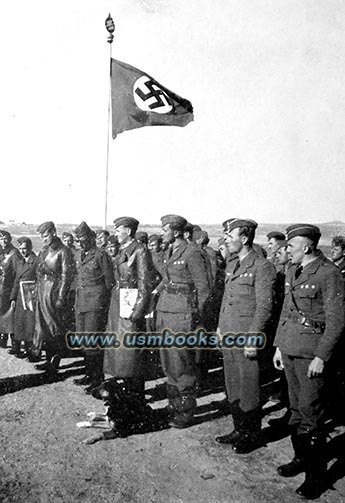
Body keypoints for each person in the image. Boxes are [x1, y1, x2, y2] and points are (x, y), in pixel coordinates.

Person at [273, 224, 345, 499]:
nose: (285, 250)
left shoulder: (329, 274)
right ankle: (300, 459)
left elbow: (337, 321)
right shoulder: (293, 270)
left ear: (306, 247)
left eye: (289, 246)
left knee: (311, 413)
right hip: (291, 349)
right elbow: (286, 312)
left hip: (311, 355)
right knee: (295, 410)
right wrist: (279, 346)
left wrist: (321, 356)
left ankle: (316, 477)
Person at [216, 218, 276, 453]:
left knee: (249, 386)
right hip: (229, 333)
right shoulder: (233, 264)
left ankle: (252, 434)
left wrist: (253, 338)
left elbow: (264, 307)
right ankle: (239, 429)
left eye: (231, 236)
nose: (227, 240)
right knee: (233, 384)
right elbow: (225, 300)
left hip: (246, 336)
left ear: (244, 238)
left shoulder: (262, 266)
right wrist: (220, 327)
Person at [155, 214, 210, 428]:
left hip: (182, 315)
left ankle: (186, 411)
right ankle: (173, 405)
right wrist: (153, 295)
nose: (162, 233)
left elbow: (204, 288)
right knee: (168, 362)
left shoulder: (193, 252)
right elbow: (167, 280)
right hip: (166, 310)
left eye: (164, 229)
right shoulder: (171, 251)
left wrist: (195, 315)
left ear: (176, 232)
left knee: (182, 364)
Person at [102, 217, 152, 436]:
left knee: (129, 362)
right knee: (117, 360)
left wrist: (136, 314)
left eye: (118, 229)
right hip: (118, 307)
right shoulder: (122, 250)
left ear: (129, 230)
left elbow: (145, 285)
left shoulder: (139, 251)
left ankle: (132, 416)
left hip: (129, 312)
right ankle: (121, 412)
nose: (116, 232)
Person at [73, 222, 114, 393]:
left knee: (93, 342)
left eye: (83, 239)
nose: (80, 243)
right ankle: (89, 374)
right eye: (78, 240)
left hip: (96, 304)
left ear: (91, 238)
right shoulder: (80, 254)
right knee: (84, 340)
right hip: (81, 303)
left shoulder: (100, 255)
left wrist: (104, 304)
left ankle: (98, 380)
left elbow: (109, 281)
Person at [32, 221, 75, 373]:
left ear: (53, 233)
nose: (43, 239)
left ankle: (55, 359)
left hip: (54, 292)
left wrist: (61, 297)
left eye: (45, 236)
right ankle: (48, 358)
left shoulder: (64, 251)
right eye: (41, 237)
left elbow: (66, 276)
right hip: (42, 290)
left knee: (54, 326)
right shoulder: (44, 251)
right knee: (43, 326)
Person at [8, 237, 37, 358]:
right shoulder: (20, 261)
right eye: (20, 249)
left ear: (30, 248)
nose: (22, 251)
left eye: (24, 248)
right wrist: (13, 298)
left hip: (30, 296)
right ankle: (18, 348)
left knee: (30, 324)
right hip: (20, 297)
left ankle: (31, 352)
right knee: (19, 322)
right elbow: (16, 280)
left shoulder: (36, 261)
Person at [0, 230, 22, 348]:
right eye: (1, 239)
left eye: (5, 238)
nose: (3, 241)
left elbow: (17, 273)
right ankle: (2, 337)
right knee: (1, 313)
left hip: (9, 288)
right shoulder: (1, 252)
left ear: (10, 239)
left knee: (11, 314)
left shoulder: (14, 253)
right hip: (1, 288)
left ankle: (15, 341)